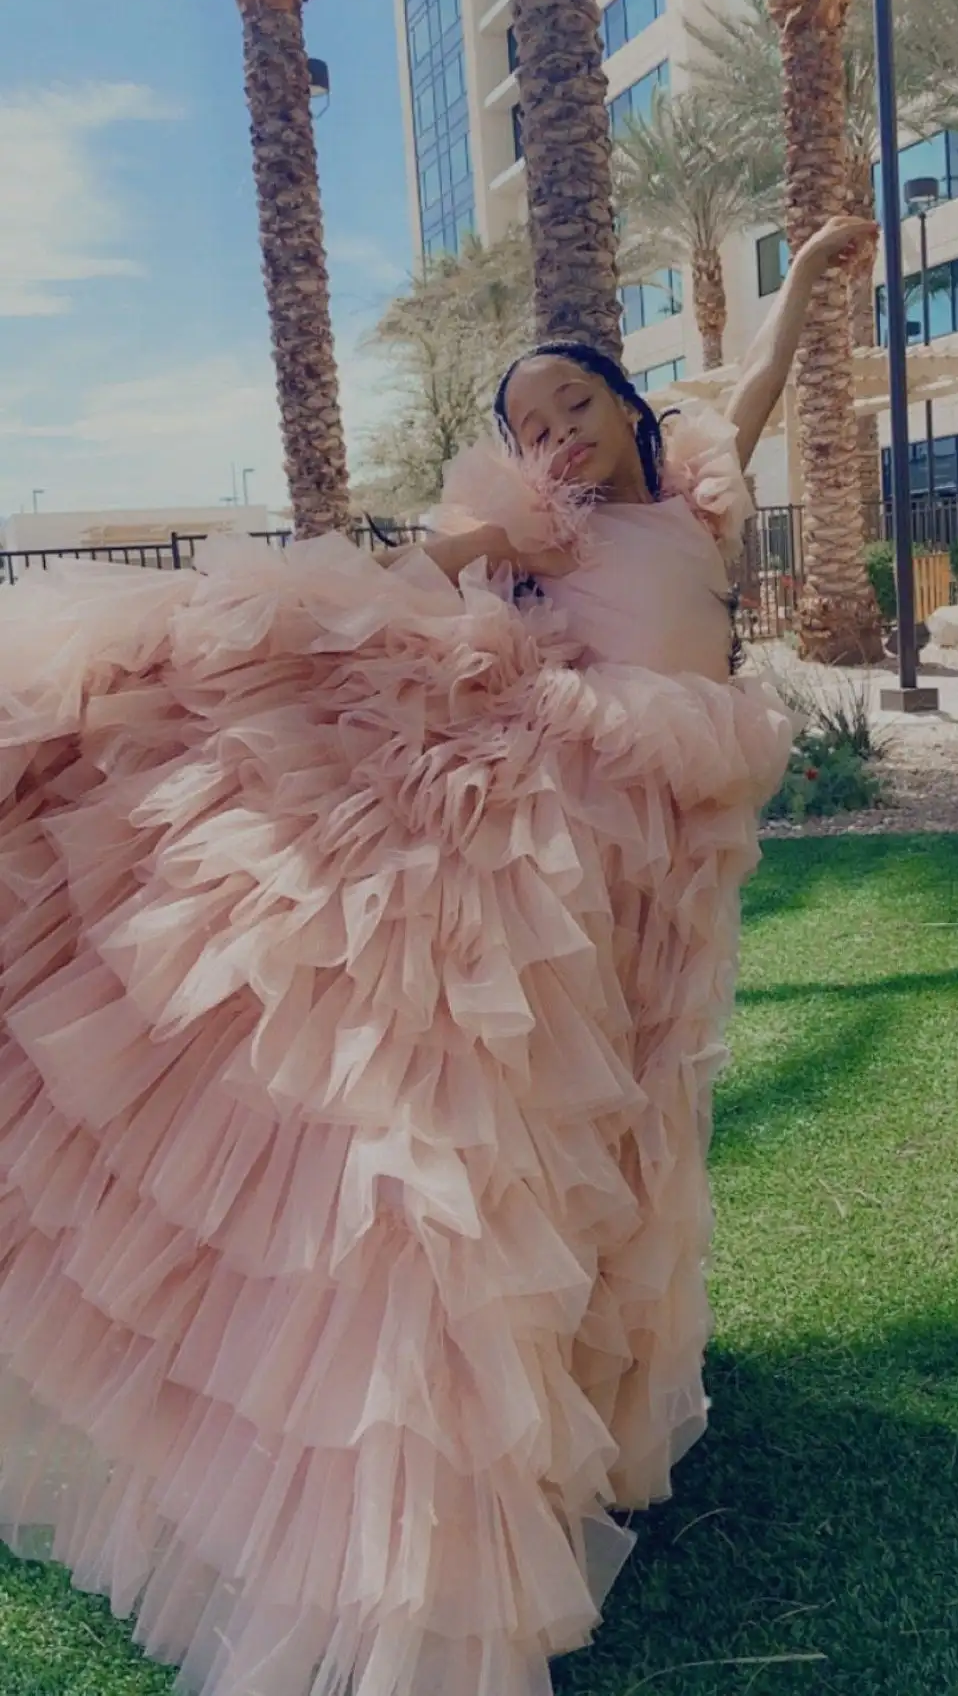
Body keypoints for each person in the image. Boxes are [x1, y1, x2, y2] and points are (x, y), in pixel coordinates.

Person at [0, 215, 873, 1696]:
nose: (556, 436)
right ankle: (432, 1477)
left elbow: (762, 379)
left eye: (574, 405)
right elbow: (442, 554)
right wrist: (482, 532)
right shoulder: (547, 523)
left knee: (628, 1126)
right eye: (529, 423)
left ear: (628, 405)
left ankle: (569, 1414)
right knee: (495, 1124)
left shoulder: (700, 492)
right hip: (560, 831)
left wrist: (797, 280)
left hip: (673, 851)